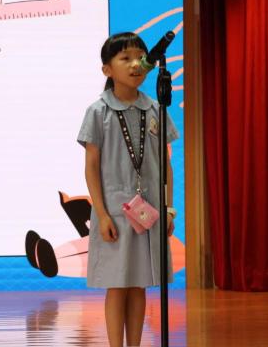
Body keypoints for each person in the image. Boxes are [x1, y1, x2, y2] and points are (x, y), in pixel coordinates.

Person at [77, 32, 179, 347]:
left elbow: (166, 165)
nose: (135, 65)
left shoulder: (155, 109)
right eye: (125, 58)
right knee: (117, 284)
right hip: (115, 212)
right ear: (107, 69)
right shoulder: (99, 111)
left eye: (139, 58)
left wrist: (169, 208)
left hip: (148, 212)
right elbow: (91, 166)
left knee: (139, 284)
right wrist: (101, 214)